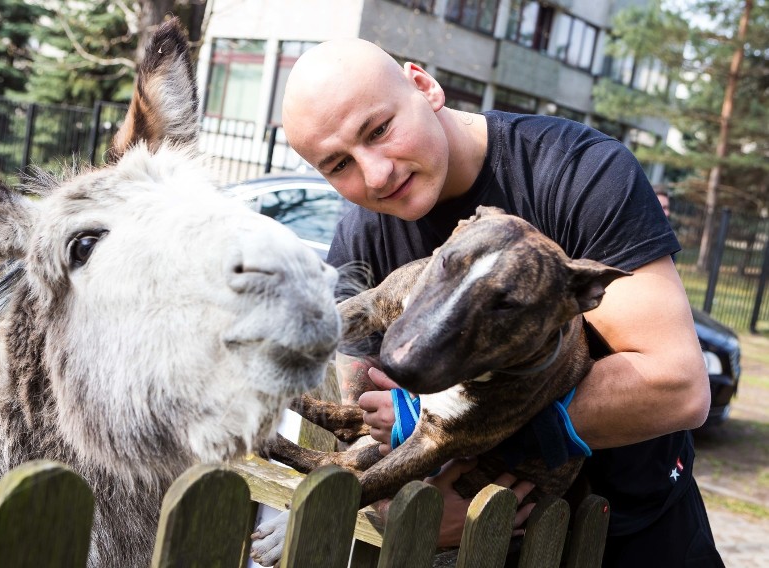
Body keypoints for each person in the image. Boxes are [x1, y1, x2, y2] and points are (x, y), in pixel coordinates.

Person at [281, 38, 724, 567]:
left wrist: (454, 433)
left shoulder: (578, 173)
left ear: (424, 86)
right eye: (339, 165)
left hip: (629, 533)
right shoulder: (363, 236)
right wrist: (395, 498)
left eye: (378, 130)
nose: (377, 174)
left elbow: (674, 386)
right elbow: (359, 406)